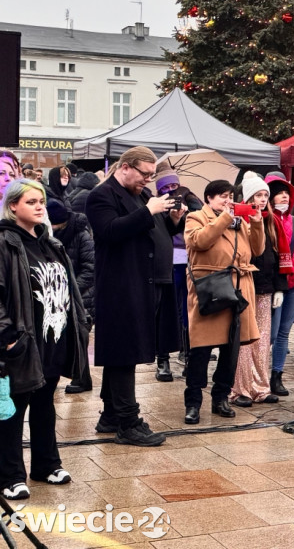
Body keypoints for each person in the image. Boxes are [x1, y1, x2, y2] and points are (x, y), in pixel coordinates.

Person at [0, 179, 89, 499]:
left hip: (54, 339)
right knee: (13, 409)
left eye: (41, 201)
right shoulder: (5, 242)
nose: (40, 207)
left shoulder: (50, 243)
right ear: (13, 206)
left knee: (44, 403)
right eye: (31, 202)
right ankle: (10, 475)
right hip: (22, 342)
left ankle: (46, 464)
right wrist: (8, 335)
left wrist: (79, 323)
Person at [86, 146, 176, 446]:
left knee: (122, 352)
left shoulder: (141, 194)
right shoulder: (101, 195)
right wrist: (147, 211)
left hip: (145, 281)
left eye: (151, 175)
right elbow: (110, 231)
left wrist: (173, 220)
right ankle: (128, 422)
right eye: (144, 174)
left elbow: (151, 232)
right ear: (125, 167)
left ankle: (111, 414)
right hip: (119, 285)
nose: (148, 180)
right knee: (124, 352)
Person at [183, 180, 264, 424]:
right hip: (211, 288)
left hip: (238, 290)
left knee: (231, 350)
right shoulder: (196, 217)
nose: (228, 200)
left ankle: (221, 398)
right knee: (200, 350)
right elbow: (199, 242)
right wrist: (225, 218)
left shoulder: (239, 221)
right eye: (222, 196)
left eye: (230, 196)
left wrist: (257, 223)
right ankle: (193, 402)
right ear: (209, 198)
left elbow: (257, 250)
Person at [230, 173, 283, 406]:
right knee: (244, 339)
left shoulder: (271, 221)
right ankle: (240, 388)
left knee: (262, 340)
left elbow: (278, 255)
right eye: (257, 195)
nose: (262, 200)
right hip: (244, 284)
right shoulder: (238, 219)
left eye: (265, 195)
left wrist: (279, 287)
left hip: (265, 286)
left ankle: (261, 387)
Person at [265, 175, 294, 397]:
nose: (284, 196)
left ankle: (277, 375)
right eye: (279, 193)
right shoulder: (265, 220)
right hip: (274, 283)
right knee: (270, 333)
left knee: (284, 332)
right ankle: (259, 375)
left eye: (286, 193)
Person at [48, 199, 95, 394]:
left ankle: (82, 379)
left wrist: (70, 288)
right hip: (59, 296)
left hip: (82, 295)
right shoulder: (50, 236)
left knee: (79, 337)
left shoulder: (81, 235)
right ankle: (77, 377)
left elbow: (91, 268)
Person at [152, 169, 186, 382]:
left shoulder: (188, 201)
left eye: (174, 186)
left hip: (185, 261)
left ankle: (185, 351)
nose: (171, 190)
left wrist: (180, 215)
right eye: (166, 186)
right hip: (165, 264)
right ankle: (162, 359)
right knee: (164, 313)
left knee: (185, 311)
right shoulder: (154, 207)